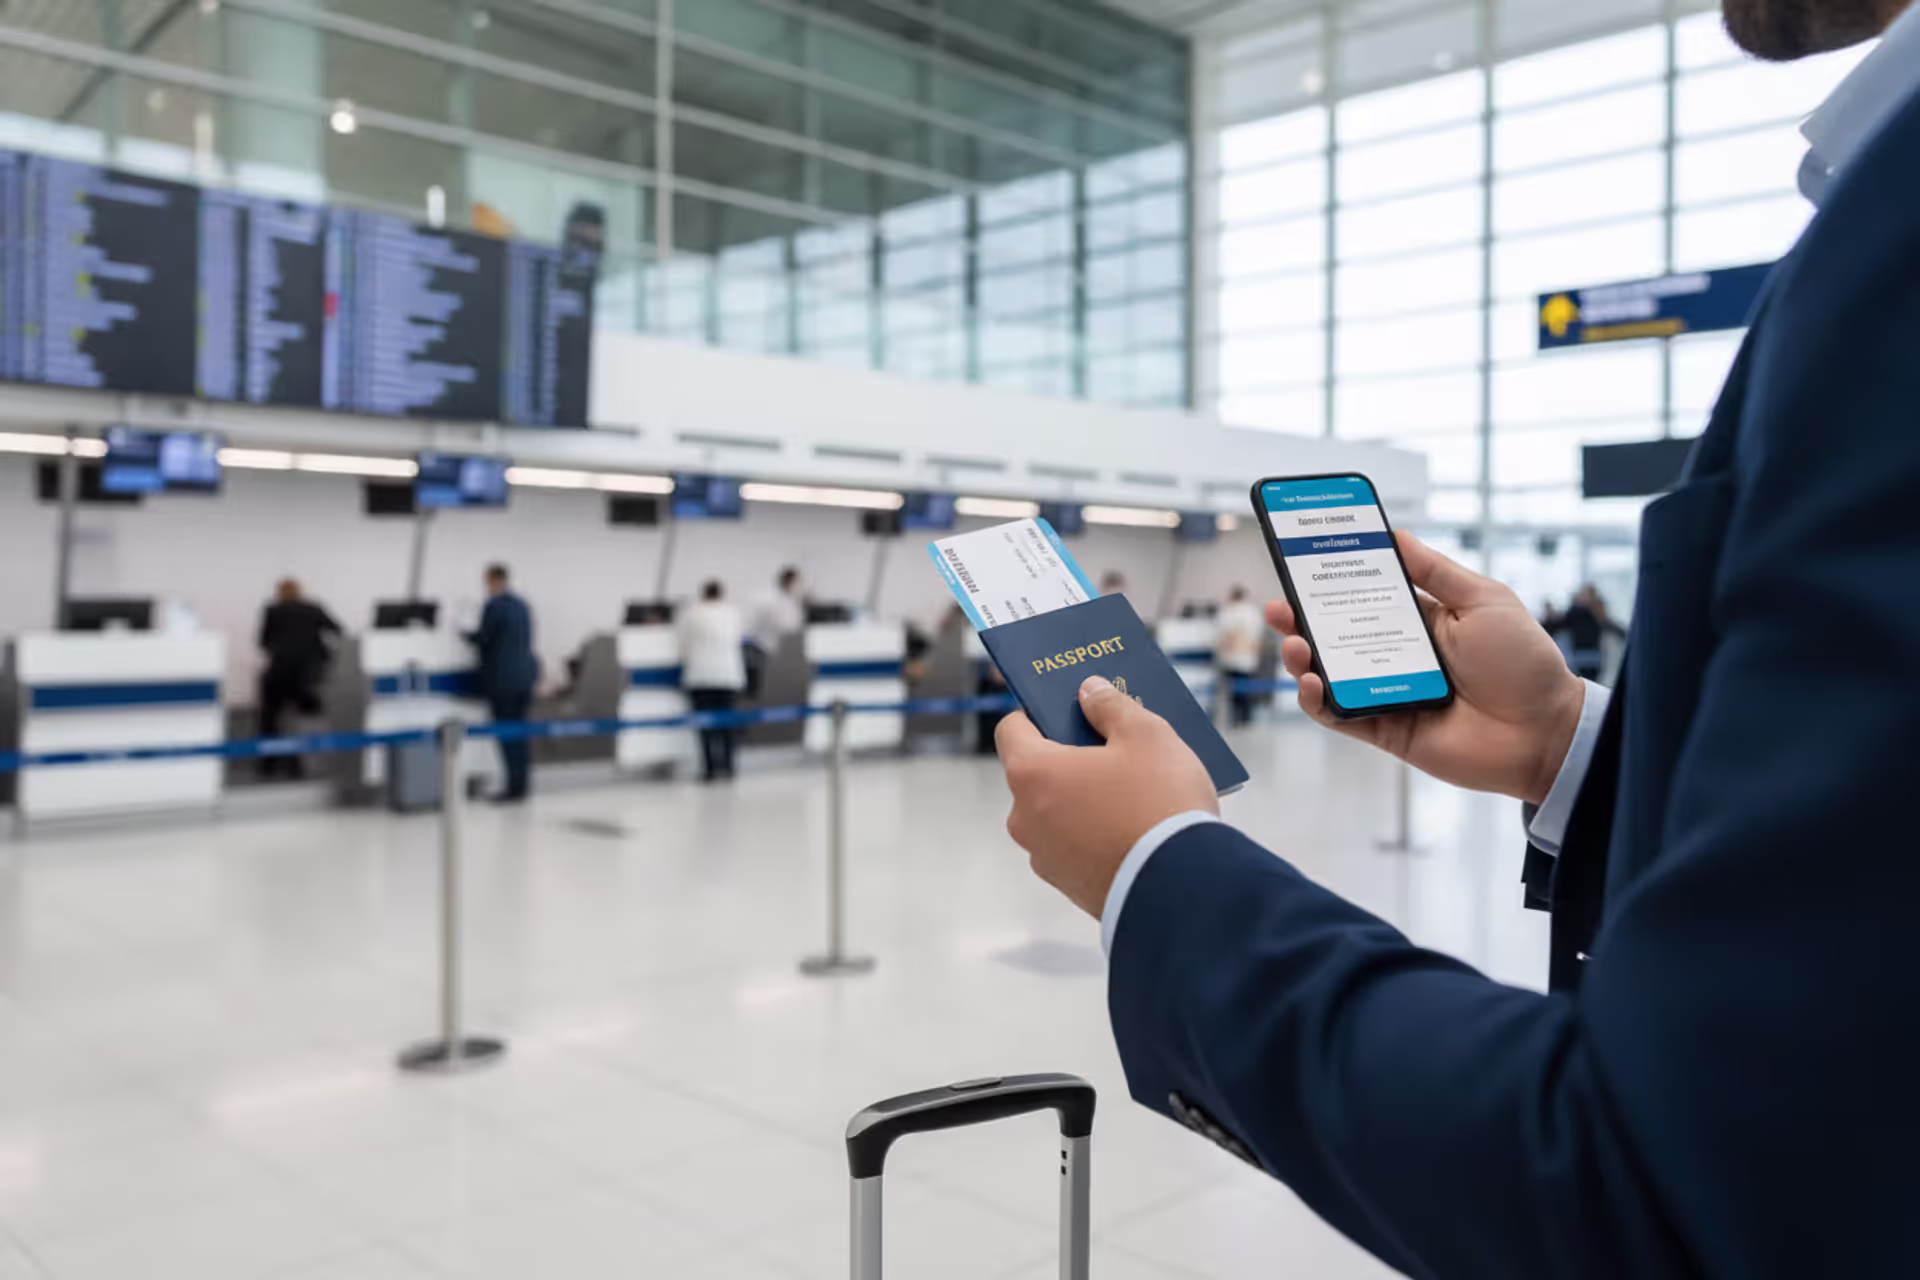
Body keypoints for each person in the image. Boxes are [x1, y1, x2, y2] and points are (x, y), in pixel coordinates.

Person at [992, 3, 1920, 1272]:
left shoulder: (1900, 224)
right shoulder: (1871, 182)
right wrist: (1570, 748)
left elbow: (1673, 1185)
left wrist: (1164, 870)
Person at [466, 564, 538, 803]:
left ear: (493, 581)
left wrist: (465, 636)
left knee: (507, 736)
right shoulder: (522, 605)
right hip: (525, 679)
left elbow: (484, 639)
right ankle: (522, 785)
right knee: (520, 735)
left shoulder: (493, 606)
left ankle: (513, 789)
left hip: (503, 682)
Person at [255, 578, 341, 779]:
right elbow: (337, 630)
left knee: (270, 719)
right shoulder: (313, 608)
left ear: (279, 592)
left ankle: (269, 766)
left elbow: (263, 641)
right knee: (306, 720)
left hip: (279, 673)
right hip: (308, 676)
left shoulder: (273, 610)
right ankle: (304, 766)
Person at [680, 579, 747, 782]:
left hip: (701, 676)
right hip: (728, 675)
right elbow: (740, 637)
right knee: (727, 724)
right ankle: (728, 766)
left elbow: (681, 644)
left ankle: (709, 768)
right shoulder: (733, 612)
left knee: (705, 726)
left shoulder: (692, 613)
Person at [1214, 585, 1262, 726]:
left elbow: (1222, 636)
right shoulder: (1252, 612)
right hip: (1247, 657)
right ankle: (1246, 719)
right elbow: (1257, 636)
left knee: (1234, 691)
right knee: (1246, 689)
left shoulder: (1227, 612)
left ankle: (1236, 720)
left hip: (1231, 657)